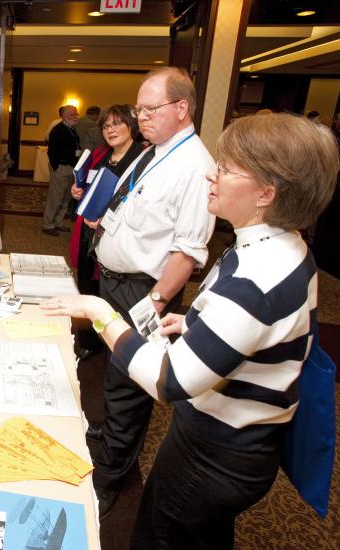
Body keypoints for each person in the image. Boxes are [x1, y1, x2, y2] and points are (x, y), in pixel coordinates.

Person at [42, 112, 339, 548]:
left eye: (226, 168)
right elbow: (263, 335)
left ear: (266, 193)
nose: (210, 174)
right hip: (244, 444)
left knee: (161, 537)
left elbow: (169, 382)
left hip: (215, 453)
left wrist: (100, 312)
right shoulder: (286, 245)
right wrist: (197, 325)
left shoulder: (255, 278)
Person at [81, 67, 216, 518]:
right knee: (113, 371)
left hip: (145, 289)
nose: (141, 117)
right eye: (138, 109)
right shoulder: (152, 152)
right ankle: (108, 438)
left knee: (130, 382)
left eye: (150, 109)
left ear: (182, 108)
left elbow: (188, 251)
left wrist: (154, 303)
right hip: (116, 279)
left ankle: (111, 474)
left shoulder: (196, 166)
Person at [69, 104, 145, 358]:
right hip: (89, 234)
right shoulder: (101, 155)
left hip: (117, 239)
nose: (111, 130)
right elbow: (86, 191)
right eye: (106, 126)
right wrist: (77, 192)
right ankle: (89, 342)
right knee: (87, 288)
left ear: (131, 126)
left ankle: (115, 345)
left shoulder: (142, 159)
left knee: (112, 296)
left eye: (117, 123)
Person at [43, 104, 80, 236]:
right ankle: (48, 225)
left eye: (76, 114)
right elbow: (51, 152)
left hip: (71, 169)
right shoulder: (57, 130)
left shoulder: (72, 129)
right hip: (61, 168)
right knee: (56, 199)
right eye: (72, 114)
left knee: (65, 199)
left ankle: (58, 223)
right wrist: (56, 167)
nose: (75, 117)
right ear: (63, 116)